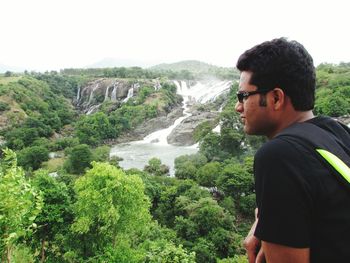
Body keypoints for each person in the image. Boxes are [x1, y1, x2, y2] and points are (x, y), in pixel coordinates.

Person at [235, 38, 350, 263]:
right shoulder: (336, 132)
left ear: (276, 98)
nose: (238, 106)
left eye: (243, 96)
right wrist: (268, 218)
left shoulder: (279, 156)